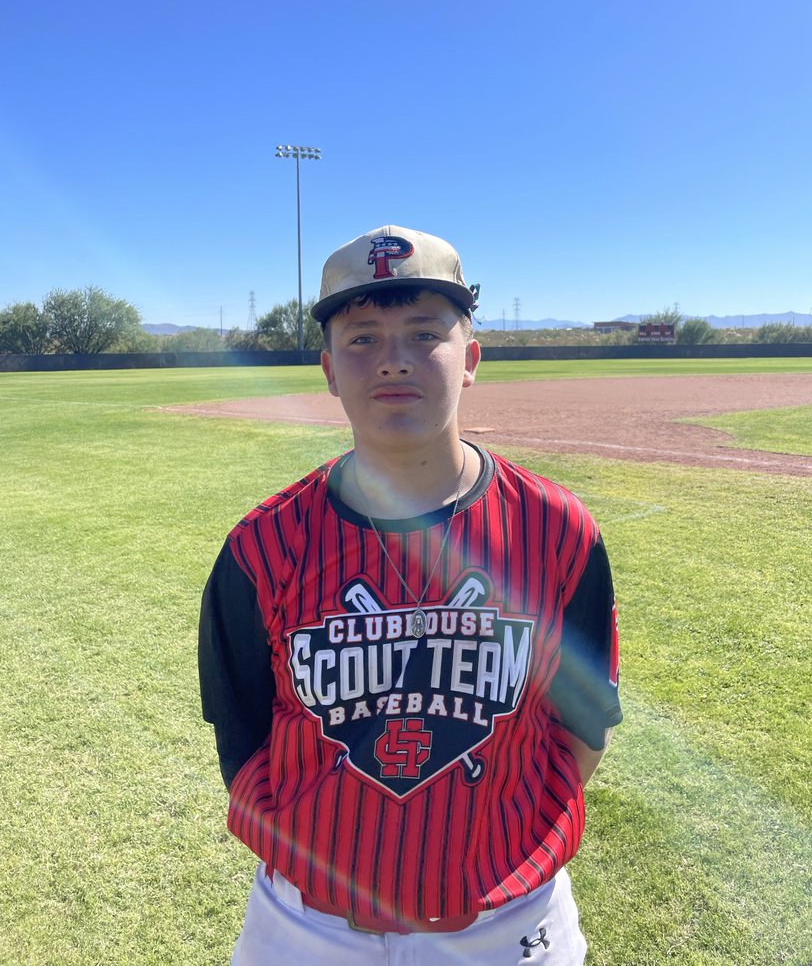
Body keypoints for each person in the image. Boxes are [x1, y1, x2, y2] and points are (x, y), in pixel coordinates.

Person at [199, 224, 622, 965]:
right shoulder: (261, 550)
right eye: (362, 338)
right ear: (329, 370)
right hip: (308, 928)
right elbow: (242, 740)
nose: (394, 360)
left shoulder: (557, 532)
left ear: (471, 360)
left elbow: (584, 730)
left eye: (425, 333)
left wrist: (482, 851)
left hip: (506, 923)